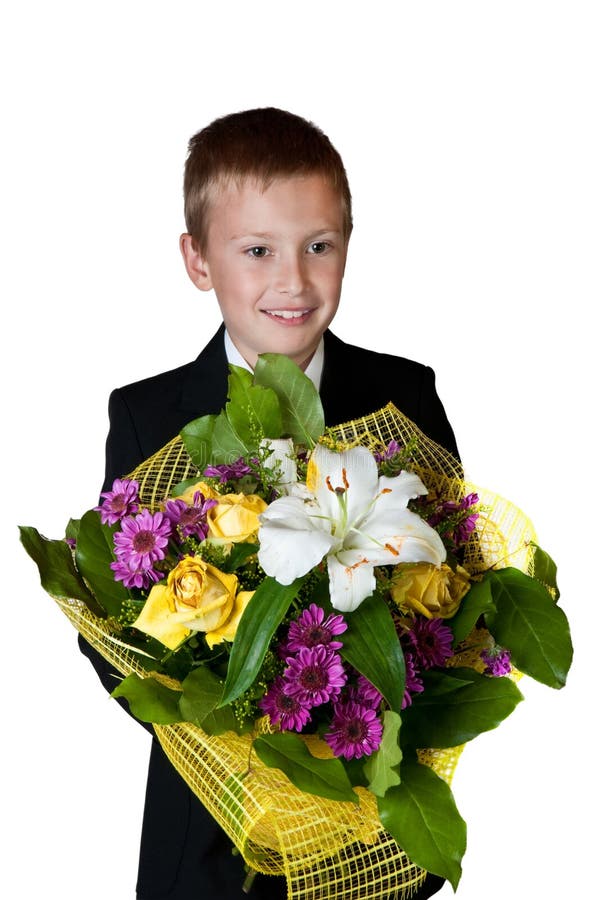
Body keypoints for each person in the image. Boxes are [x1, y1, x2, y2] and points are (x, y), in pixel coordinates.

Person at [80, 107, 458, 900]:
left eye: (319, 246)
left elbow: (453, 579)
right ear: (198, 260)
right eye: (257, 251)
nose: (293, 281)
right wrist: (232, 734)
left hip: (373, 829)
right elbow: (110, 623)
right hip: (209, 843)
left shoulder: (404, 395)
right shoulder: (149, 416)